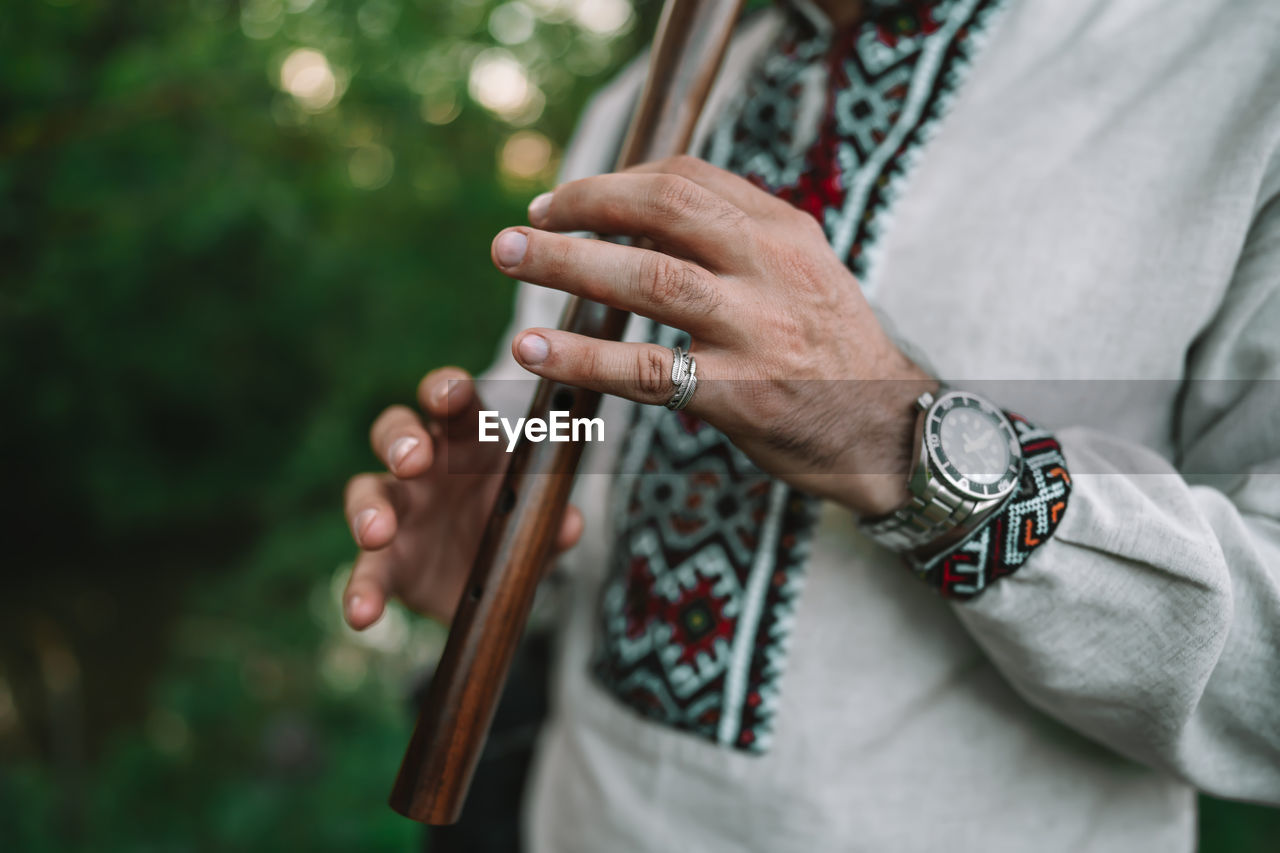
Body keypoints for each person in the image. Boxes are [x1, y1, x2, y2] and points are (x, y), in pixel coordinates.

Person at [341, 0, 1280, 849]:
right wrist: (481, 506)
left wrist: (895, 437)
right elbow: (555, 422)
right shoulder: (640, 99)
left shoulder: (1241, 71)